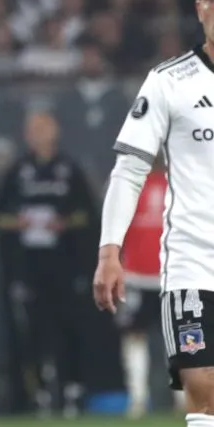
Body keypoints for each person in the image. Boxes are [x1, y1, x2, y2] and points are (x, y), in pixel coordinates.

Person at [94, 0, 214, 427]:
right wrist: (109, 252)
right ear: (199, 8)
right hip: (192, 263)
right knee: (202, 391)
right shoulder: (169, 82)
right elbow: (128, 170)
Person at [0, 111, 101, 417]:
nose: (36, 134)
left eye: (42, 128)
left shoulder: (69, 169)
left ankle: (73, 390)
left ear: (55, 131)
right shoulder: (18, 170)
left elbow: (88, 214)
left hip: (65, 264)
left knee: (69, 325)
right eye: (32, 129)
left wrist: (63, 223)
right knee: (33, 330)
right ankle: (37, 393)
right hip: (28, 266)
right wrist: (20, 222)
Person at [115, 156, 169, 417]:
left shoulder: (186, 181)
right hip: (137, 275)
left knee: (185, 337)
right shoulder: (129, 182)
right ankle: (137, 398)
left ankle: (186, 399)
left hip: (176, 274)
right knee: (134, 334)